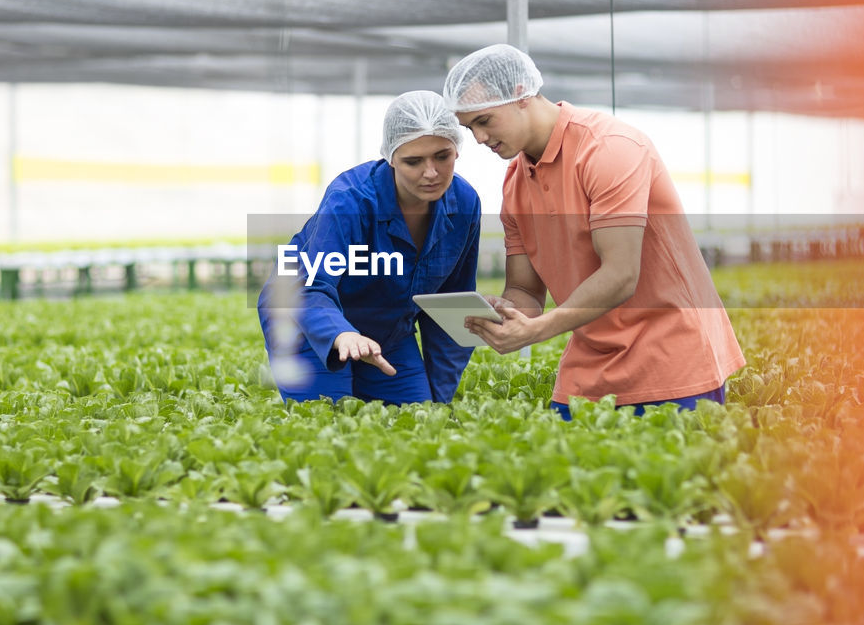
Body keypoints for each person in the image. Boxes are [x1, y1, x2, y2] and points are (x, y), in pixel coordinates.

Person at [443, 44, 744, 420]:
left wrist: (537, 332)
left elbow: (621, 275)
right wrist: (506, 313)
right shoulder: (515, 183)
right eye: (469, 128)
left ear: (521, 94)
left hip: (671, 357)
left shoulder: (609, 148)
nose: (479, 139)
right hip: (589, 366)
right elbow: (525, 291)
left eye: (485, 121)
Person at [257, 90, 481, 405]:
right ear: (391, 158)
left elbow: (451, 304)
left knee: (417, 418)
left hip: (386, 328)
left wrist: (437, 400)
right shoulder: (351, 199)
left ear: (456, 149)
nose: (431, 172)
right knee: (324, 418)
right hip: (306, 319)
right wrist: (341, 334)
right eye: (413, 161)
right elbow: (312, 285)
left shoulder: (465, 203)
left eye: (442, 156)